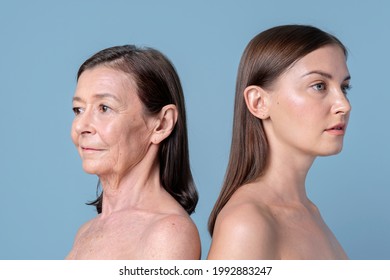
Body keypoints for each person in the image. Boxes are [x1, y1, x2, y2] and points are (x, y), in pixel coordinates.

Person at [207, 25, 351, 259]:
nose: (344, 104)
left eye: (344, 87)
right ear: (258, 102)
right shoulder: (246, 223)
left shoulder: (309, 212)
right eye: (319, 86)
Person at [66, 45, 200, 259]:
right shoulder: (85, 232)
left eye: (104, 108)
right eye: (78, 109)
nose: (81, 125)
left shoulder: (169, 233)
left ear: (162, 124)